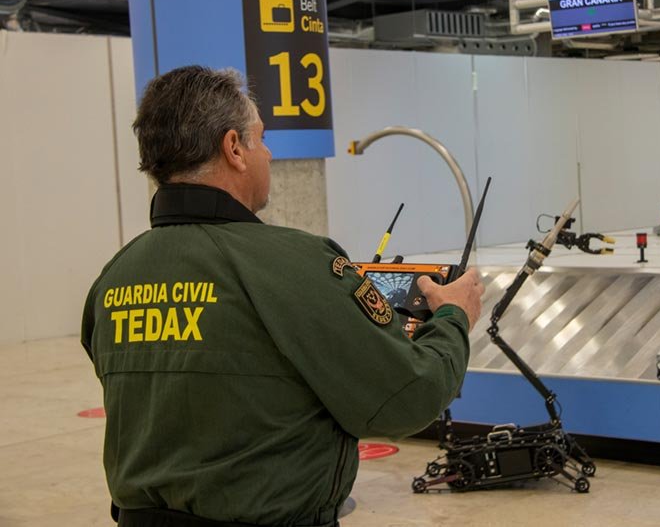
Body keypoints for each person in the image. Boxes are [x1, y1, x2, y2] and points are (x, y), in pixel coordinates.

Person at [81, 66, 484, 527]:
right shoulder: (297, 264)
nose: (269, 154)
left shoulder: (114, 277)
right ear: (234, 148)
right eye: (262, 138)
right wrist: (453, 316)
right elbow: (409, 396)